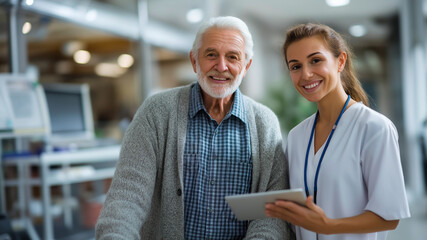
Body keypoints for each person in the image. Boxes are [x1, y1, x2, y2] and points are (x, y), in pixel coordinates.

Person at [96, 16, 293, 239]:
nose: (221, 66)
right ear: (194, 61)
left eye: (232, 57)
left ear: (246, 65)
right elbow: (127, 195)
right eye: (211, 55)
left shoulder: (264, 124)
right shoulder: (156, 112)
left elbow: (272, 213)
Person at [265, 23, 410, 240]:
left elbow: (389, 216)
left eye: (316, 60)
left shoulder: (374, 128)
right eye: (295, 66)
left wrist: (328, 226)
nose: (306, 74)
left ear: (340, 61)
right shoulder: (297, 136)